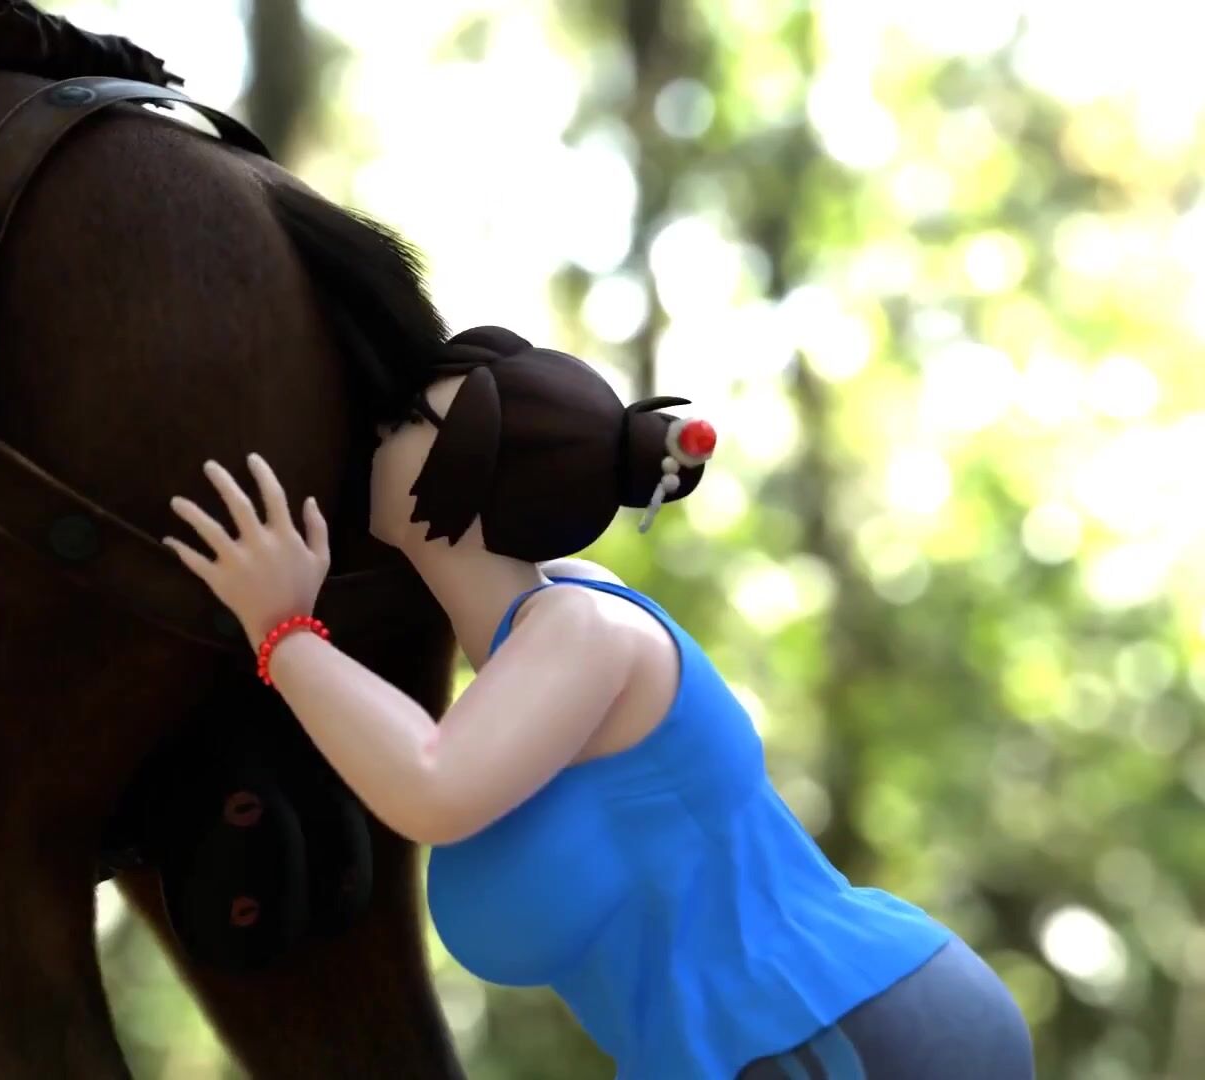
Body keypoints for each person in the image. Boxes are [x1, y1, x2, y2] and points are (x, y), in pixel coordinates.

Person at [162, 326, 1035, 1079]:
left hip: (828, 1026)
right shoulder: (556, 616)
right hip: (783, 1035)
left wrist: (284, 628)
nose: (377, 436)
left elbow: (429, 782)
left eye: (406, 422)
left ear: (468, 466)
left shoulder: (584, 630)